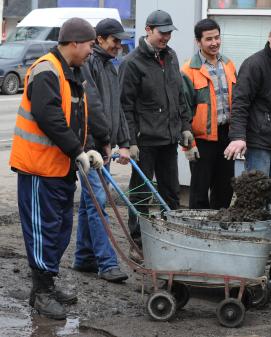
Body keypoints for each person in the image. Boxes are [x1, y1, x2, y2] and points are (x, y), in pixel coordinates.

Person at [9, 18, 102, 320]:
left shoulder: (73, 71)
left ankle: (45, 285)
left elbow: (79, 117)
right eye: (90, 44)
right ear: (75, 43)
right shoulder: (46, 70)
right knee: (42, 232)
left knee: (60, 230)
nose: (92, 50)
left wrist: (90, 148)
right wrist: (77, 150)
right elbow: (49, 117)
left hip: (60, 169)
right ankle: (42, 292)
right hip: (39, 169)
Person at [119, 10, 192, 260]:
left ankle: (170, 235)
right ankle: (138, 242)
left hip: (169, 139)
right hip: (145, 141)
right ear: (149, 30)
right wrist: (130, 142)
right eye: (162, 33)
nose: (167, 37)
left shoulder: (170, 57)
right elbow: (125, 106)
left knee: (171, 191)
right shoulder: (132, 63)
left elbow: (179, 96)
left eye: (169, 33)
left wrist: (185, 127)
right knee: (141, 192)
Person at [72, 18, 131, 282]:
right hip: (90, 148)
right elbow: (92, 106)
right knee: (98, 202)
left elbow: (116, 107)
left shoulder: (111, 67)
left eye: (120, 41)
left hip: (103, 146)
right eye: (114, 40)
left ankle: (84, 258)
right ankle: (107, 263)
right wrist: (106, 140)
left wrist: (124, 141)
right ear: (100, 39)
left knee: (90, 203)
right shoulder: (91, 64)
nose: (119, 45)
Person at [223, 20, 271, 210]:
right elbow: (240, 103)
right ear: (269, 38)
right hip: (259, 141)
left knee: (269, 194)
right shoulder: (254, 65)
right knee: (256, 193)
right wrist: (238, 137)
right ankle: (250, 236)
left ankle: (262, 233)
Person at [181, 18, 236, 209]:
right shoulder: (189, 69)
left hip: (226, 135)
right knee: (199, 189)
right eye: (208, 39)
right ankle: (198, 230)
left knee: (225, 187)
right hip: (201, 138)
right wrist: (188, 145)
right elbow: (183, 109)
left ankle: (218, 227)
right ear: (199, 41)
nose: (214, 43)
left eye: (217, 38)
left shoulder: (228, 64)